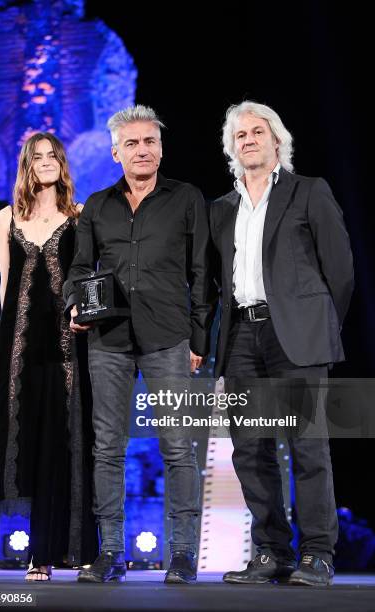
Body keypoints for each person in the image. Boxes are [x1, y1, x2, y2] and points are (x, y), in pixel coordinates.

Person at [64, 105, 216, 584]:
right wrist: (74, 303)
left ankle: (183, 555)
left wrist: (198, 336)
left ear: (161, 148)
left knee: (177, 448)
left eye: (149, 141)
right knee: (108, 448)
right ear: (115, 153)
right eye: (131, 144)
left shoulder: (186, 198)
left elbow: (202, 272)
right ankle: (111, 554)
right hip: (107, 339)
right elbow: (79, 269)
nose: (142, 149)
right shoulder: (97, 206)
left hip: (169, 337)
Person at [210, 101, 354, 586]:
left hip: (296, 337)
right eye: (240, 135)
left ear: (277, 141)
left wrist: (316, 324)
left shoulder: (308, 192)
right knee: (250, 451)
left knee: (308, 447)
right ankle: (271, 552)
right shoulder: (221, 208)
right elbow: (215, 283)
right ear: (233, 147)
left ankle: (318, 553)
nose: (248, 139)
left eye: (257, 131)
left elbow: (341, 271)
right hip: (240, 337)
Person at [0, 132, 97, 580]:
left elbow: (84, 282)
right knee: (0, 436)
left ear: (62, 163)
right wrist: (6, 351)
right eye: (37, 157)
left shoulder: (80, 217)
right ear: (26, 165)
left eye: (52, 156)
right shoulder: (7, 218)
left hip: (65, 348)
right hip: (17, 345)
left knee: (56, 444)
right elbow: (7, 287)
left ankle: (42, 556)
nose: (45, 162)